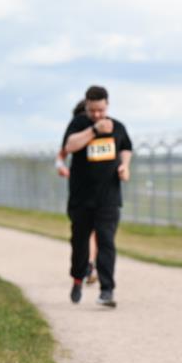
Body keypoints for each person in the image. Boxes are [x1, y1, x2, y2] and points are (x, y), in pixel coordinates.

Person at [62, 85, 132, 306]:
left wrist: (125, 166)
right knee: (80, 243)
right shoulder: (79, 124)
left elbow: (126, 147)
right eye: (92, 110)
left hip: (108, 198)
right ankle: (77, 277)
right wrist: (94, 130)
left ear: (107, 105)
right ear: (87, 106)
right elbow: (69, 146)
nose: (97, 115)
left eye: (100, 110)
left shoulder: (118, 127)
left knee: (106, 241)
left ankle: (107, 290)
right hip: (81, 198)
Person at [56, 100, 99, 284]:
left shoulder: (102, 130)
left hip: (100, 188)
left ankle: (90, 265)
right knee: (84, 231)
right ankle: (86, 264)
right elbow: (62, 154)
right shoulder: (76, 133)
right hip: (80, 189)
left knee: (96, 230)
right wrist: (61, 167)